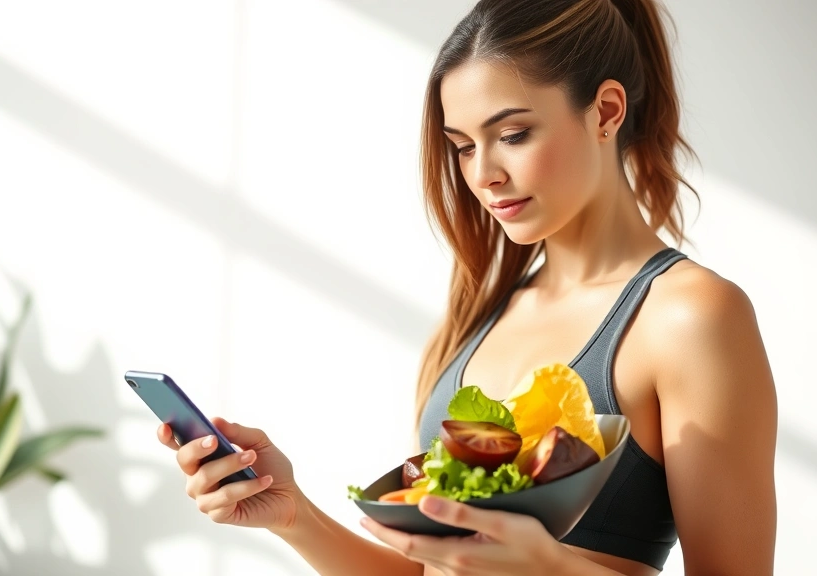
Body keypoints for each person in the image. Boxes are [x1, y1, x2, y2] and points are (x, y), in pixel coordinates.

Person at [155, 0, 778, 573]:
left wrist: (549, 566)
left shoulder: (688, 317)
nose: (484, 175)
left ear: (606, 112)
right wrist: (294, 516)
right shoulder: (488, 314)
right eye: (461, 146)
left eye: (512, 135)